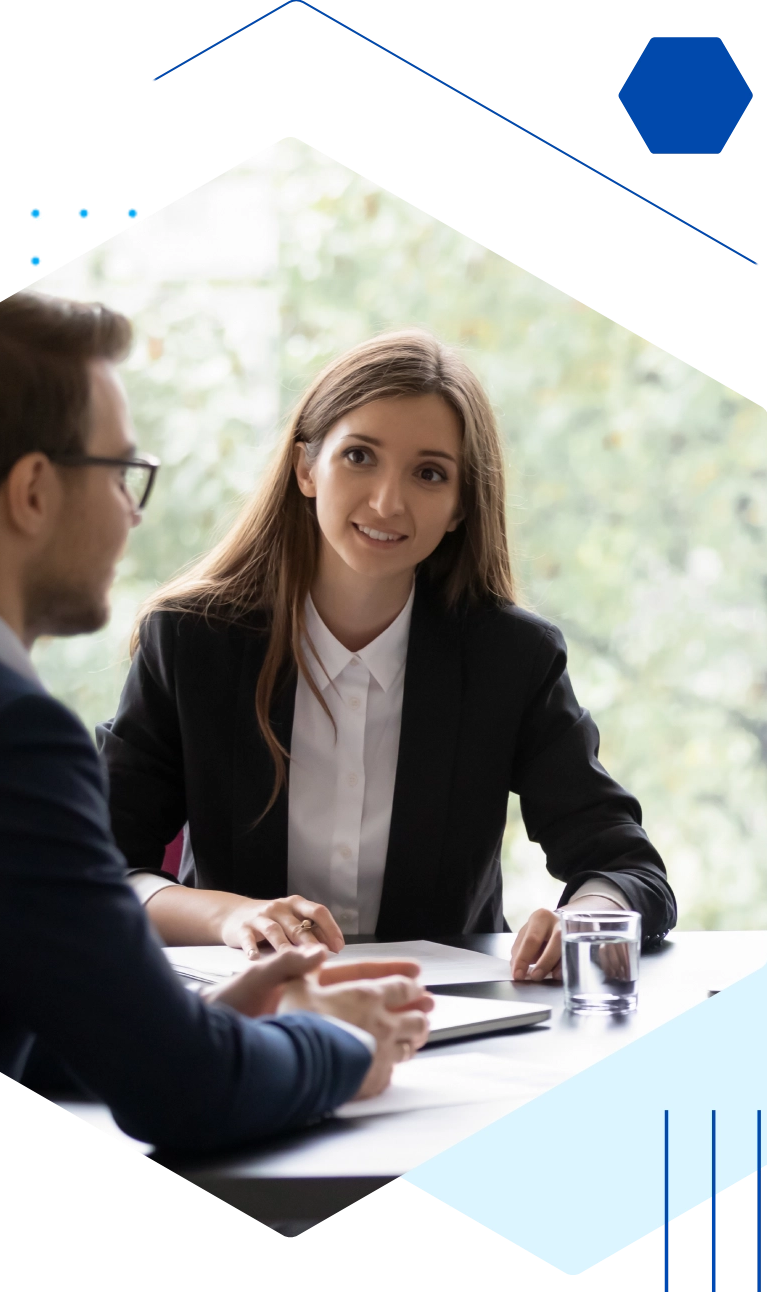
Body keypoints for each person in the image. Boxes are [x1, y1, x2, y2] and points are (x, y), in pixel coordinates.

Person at [0, 295, 434, 1156]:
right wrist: (347, 1042)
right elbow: (187, 1097)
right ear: (33, 491)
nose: (132, 514)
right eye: (120, 474)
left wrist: (182, 1021)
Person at [97, 330, 677, 980]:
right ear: (305, 468)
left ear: (460, 507)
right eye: (359, 457)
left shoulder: (511, 660)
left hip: (446, 1025)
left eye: (430, 474)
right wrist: (229, 916)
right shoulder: (190, 640)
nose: (387, 502)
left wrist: (587, 915)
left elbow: (627, 867)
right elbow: (101, 868)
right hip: (255, 1017)